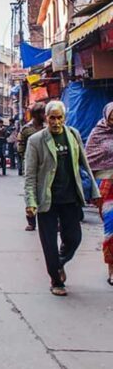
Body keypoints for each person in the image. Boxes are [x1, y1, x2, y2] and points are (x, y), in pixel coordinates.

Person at [24, 101, 101, 296]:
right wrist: (31, 202)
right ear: (46, 118)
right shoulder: (35, 140)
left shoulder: (73, 134)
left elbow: (84, 163)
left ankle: (59, 262)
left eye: (59, 118)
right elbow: (30, 175)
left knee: (74, 238)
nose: (56, 122)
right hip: (46, 199)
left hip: (70, 198)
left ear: (64, 118)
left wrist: (94, 192)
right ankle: (56, 280)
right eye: (52, 118)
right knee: (49, 242)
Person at [84, 102, 113, 285]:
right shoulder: (98, 133)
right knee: (112, 229)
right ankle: (112, 268)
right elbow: (87, 160)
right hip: (106, 185)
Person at [18, 102, 46, 230]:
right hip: (31, 163)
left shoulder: (48, 127)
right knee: (31, 191)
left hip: (46, 164)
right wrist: (26, 160)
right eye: (42, 113)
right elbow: (21, 147)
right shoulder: (26, 129)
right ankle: (31, 221)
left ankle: (50, 218)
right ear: (35, 114)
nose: (44, 115)